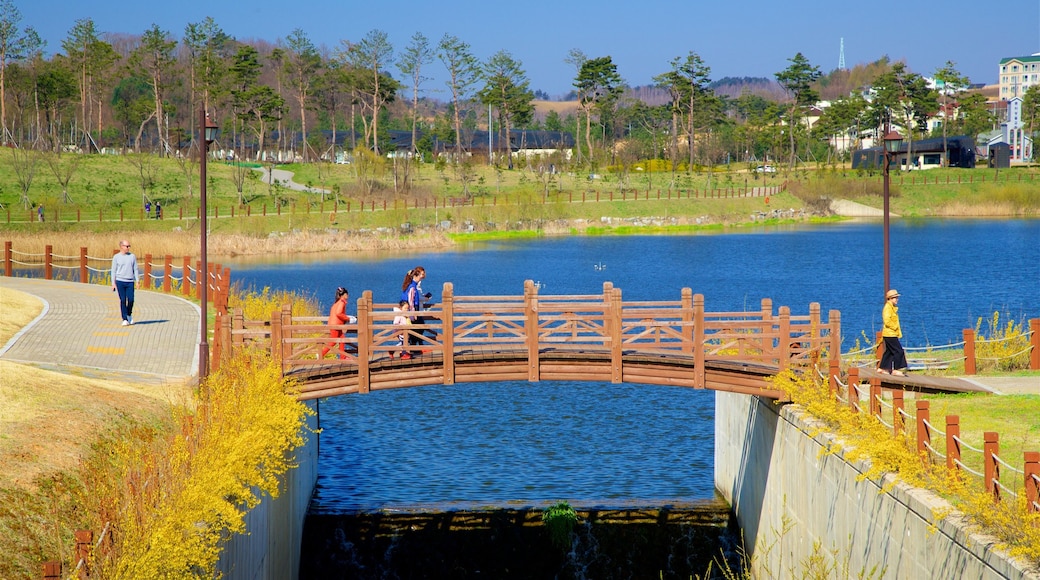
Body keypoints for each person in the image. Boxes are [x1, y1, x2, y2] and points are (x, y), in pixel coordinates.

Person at [400, 266, 435, 353]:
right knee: (419, 328)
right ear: (416, 275)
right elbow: (411, 301)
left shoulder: (410, 285)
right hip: (411, 311)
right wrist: (414, 312)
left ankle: (417, 348)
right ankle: (415, 348)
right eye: (421, 275)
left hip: (410, 310)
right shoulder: (412, 287)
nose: (422, 277)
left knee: (417, 329)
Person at [321, 286, 357, 359]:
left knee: (342, 339)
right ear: (343, 295)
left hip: (335, 324)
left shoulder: (336, 302)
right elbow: (338, 313)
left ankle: (342, 357)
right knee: (334, 341)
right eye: (346, 294)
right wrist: (348, 319)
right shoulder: (342, 302)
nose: (347, 296)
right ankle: (321, 354)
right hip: (336, 325)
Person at [878, 289, 907, 376]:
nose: (897, 299)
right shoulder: (888, 308)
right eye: (895, 298)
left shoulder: (892, 308)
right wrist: (894, 327)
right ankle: (897, 369)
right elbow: (887, 321)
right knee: (899, 351)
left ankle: (883, 368)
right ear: (890, 299)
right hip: (890, 334)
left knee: (890, 352)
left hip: (890, 333)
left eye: (897, 298)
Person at [111, 239, 140, 326]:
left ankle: (129, 314)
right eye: (127, 246)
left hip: (130, 281)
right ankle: (124, 319)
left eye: (129, 246)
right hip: (120, 281)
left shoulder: (132, 256)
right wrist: (113, 283)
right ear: (121, 246)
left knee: (131, 300)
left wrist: (137, 280)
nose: (128, 248)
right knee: (123, 300)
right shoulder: (116, 257)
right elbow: (113, 270)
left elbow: (135, 269)